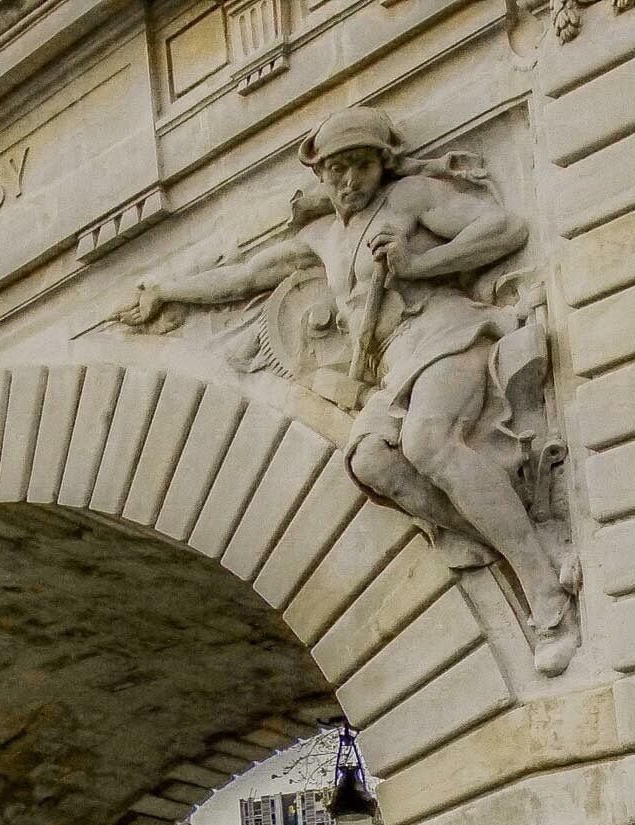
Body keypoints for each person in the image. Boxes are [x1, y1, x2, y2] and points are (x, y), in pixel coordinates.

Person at [123, 105, 578, 676]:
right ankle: (530, 544)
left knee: (426, 441)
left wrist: (420, 263)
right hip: (394, 365)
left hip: (446, 332)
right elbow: (243, 277)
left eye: (361, 166)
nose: (348, 181)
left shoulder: (409, 198)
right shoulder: (322, 240)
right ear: (320, 176)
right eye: (336, 170)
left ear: (382, 165)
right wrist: (167, 290)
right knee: (371, 462)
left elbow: (504, 229)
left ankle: (544, 592)